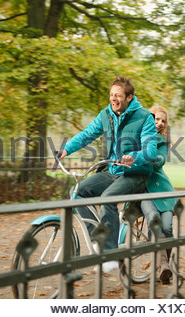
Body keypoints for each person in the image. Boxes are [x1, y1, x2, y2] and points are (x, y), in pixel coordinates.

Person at [59, 76, 158, 272]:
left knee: (107, 198)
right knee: (76, 192)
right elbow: (87, 134)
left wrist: (134, 157)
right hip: (112, 170)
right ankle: (99, 239)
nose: (113, 99)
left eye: (118, 95)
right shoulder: (106, 114)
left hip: (134, 174)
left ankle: (110, 255)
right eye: (112, 95)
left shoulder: (144, 117)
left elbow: (151, 150)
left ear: (129, 97)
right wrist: (66, 149)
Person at [140, 105, 177, 283]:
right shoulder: (140, 135)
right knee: (154, 220)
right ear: (150, 118)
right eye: (156, 119)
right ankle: (163, 266)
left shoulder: (163, 142)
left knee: (167, 227)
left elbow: (159, 161)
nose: (160, 123)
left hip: (163, 190)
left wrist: (143, 158)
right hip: (144, 190)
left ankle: (165, 268)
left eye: (163, 121)